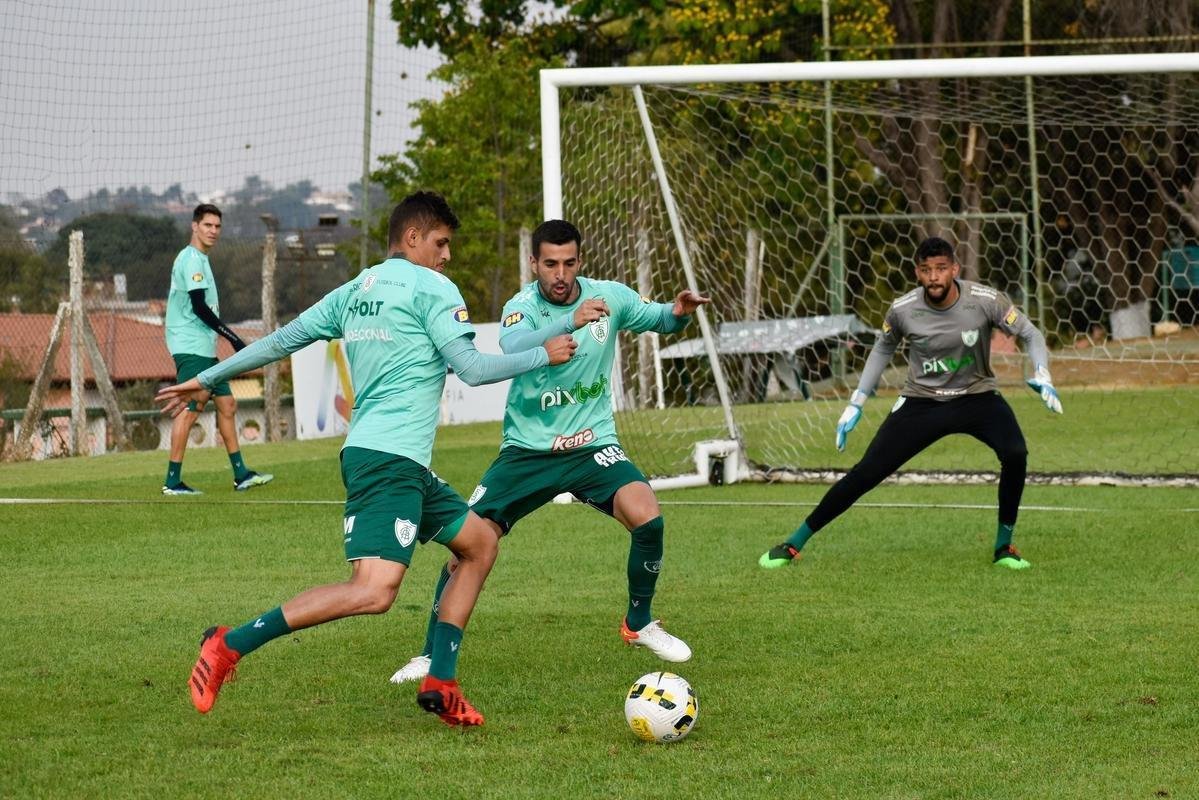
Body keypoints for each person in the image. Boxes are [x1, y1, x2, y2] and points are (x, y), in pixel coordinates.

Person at [156, 192, 577, 726]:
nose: (447, 256)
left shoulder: (356, 290)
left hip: (393, 461)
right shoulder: (433, 288)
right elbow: (470, 368)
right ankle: (228, 644)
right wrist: (545, 352)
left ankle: (441, 681)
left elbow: (282, 340)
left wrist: (209, 376)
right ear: (413, 238)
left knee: (480, 543)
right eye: (442, 243)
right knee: (374, 591)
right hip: (388, 461)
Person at [390, 219, 708, 686]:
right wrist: (569, 321)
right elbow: (513, 344)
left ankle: (638, 624)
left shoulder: (609, 297)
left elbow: (659, 318)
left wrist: (679, 312)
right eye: (551, 264)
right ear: (534, 263)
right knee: (467, 546)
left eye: (570, 262)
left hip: (592, 444)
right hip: (528, 452)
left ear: (581, 261)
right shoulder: (522, 307)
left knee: (648, 516)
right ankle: (428, 654)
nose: (561, 273)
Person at [759, 236, 1063, 572]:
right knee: (866, 472)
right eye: (926, 270)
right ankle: (794, 543)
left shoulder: (985, 300)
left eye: (941, 269)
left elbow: (1031, 334)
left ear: (955, 270)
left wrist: (1043, 373)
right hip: (922, 402)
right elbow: (882, 349)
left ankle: (1004, 546)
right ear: (917, 272)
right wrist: (856, 402)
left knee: (1015, 453)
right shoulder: (903, 309)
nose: (934, 276)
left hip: (978, 397)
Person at [162, 203, 272, 495]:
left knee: (227, 405)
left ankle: (241, 475)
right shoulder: (192, 260)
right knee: (192, 408)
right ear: (194, 226)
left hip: (205, 348)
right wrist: (233, 338)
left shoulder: (200, 258)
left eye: (217, 226)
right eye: (207, 225)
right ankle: (172, 482)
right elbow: (199, 307)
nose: (213, 231)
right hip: (191, 347)